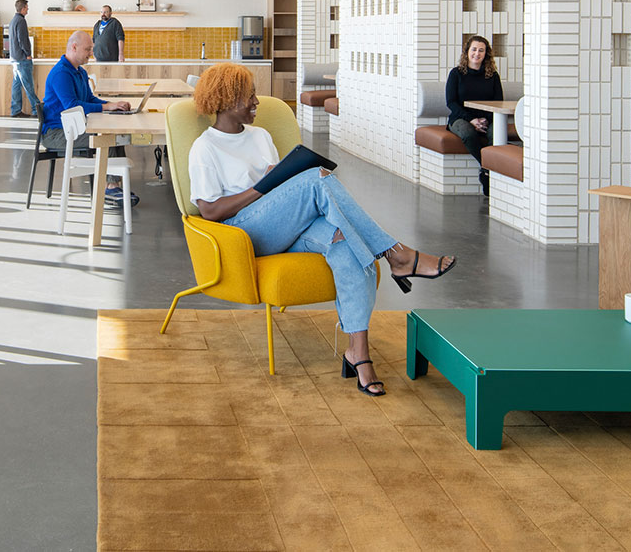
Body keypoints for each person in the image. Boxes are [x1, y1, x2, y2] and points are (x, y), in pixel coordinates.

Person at [187, 64, 455, 396]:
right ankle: (397, 254)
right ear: (227, 99)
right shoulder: (205, 147)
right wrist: (262, 187)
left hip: (284, 223)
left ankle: (359, 353)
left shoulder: (260, 136)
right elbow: (210, 211)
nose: (256, 101)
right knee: (316, 179)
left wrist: (281, 182)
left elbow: (281, 190)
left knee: (347, 243)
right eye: (249, 96)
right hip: (244, 234)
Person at [41, 30, 136, 206]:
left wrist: (112, 104)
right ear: (74, 47)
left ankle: (112, 184)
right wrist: (107, 107)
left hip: (73, 129)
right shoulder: (61, 74)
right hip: (57, 134)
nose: (91, 54)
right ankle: (110, 187)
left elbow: (89, 99)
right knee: (108, 136)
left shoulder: (80, 72)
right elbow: (73, 106)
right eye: (88, 49)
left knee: (113, 133)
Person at [445, 35, 505, 198]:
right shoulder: (456, 74)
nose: (477, 53)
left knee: (497, 134)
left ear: (486, 54)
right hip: (460, 118)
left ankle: (489, 171)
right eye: (474, 49)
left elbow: (498, 102)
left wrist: (484, 119)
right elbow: (451, 102)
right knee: (468, 133)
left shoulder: (492, 76)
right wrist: (471, 120)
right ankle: (487, 167)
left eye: (481, 50)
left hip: (487, 119)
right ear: (467, 52)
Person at [8, 0, 39, 118]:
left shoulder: (13, 21)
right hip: (22, 59)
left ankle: (15, 110)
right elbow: (23, 40)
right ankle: (36, 110)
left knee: (16, 86)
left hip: (15, 59)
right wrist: (27, 54)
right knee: (28, 85)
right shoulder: (21, 21)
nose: (28, 9)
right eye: (27, 7)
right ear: (23, 8)